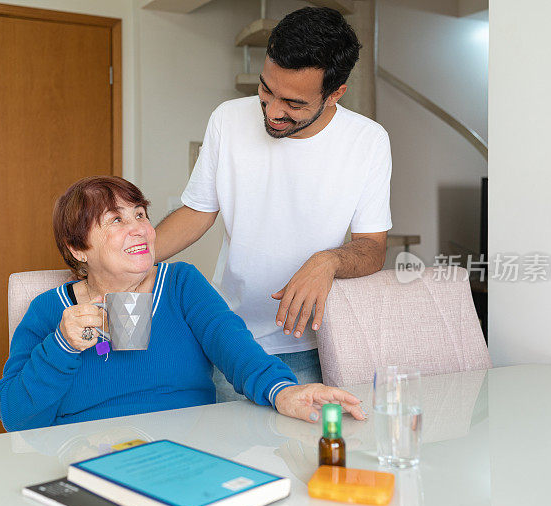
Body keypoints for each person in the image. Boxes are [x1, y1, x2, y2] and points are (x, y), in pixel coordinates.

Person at [0, 176, 366, 431]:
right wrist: (61, 346)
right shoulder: (49, 310)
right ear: (78, 248)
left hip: (183, 450)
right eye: (115, 221)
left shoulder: (181, 284)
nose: (139, 227)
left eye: (140, 214)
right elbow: (15, 417)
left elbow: (235, 347)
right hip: (85, 456)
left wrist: (283, 391)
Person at [154, 7, 392, 400]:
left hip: (312, 346)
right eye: (266, 90)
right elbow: (198, 212)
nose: (272, 111)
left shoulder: (367, 141)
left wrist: (327, 260)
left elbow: (373, 248)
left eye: (294, 104)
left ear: (334, 95)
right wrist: (129, 260)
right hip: (225, 340)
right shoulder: (227, 120)